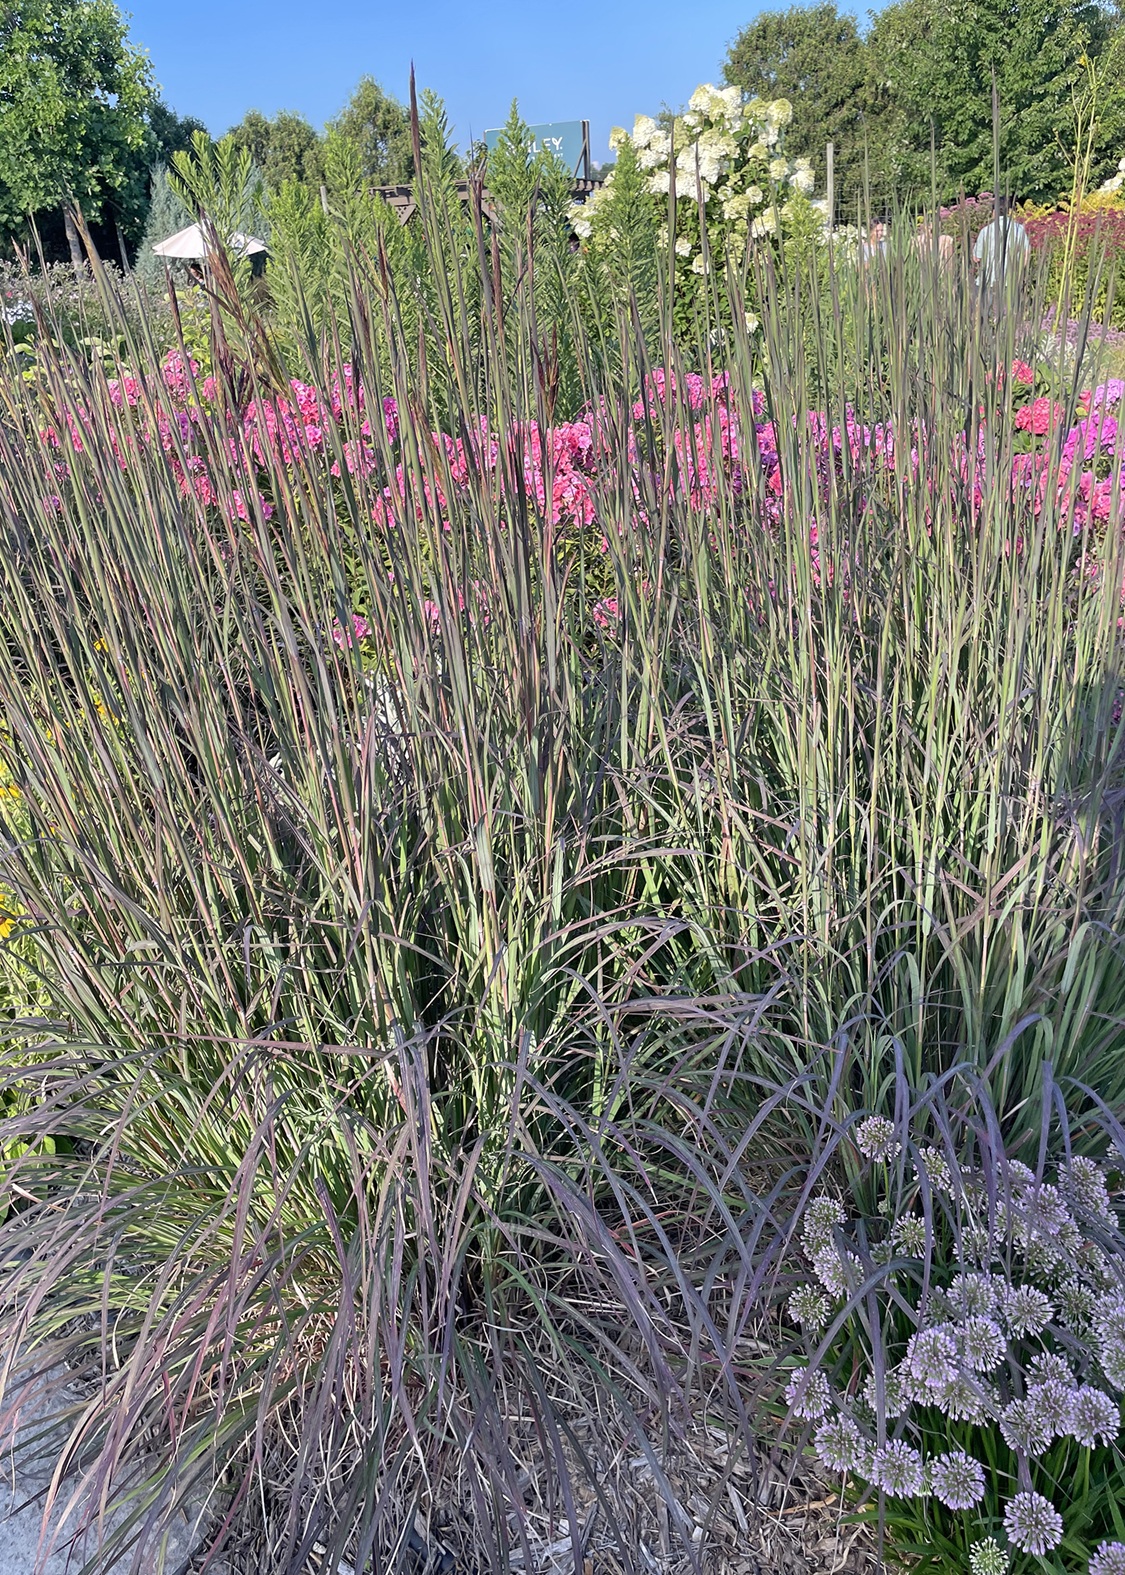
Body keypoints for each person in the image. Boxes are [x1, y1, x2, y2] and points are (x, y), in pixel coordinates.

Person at [972, 196, 1030, 317]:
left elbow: (977, 258)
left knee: (983, 320)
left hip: (987, 282)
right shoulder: (1019, 230)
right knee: (1008, 319)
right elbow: (1026, 254)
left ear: (994, 211)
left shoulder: (986, 231)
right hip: (1010, 282)